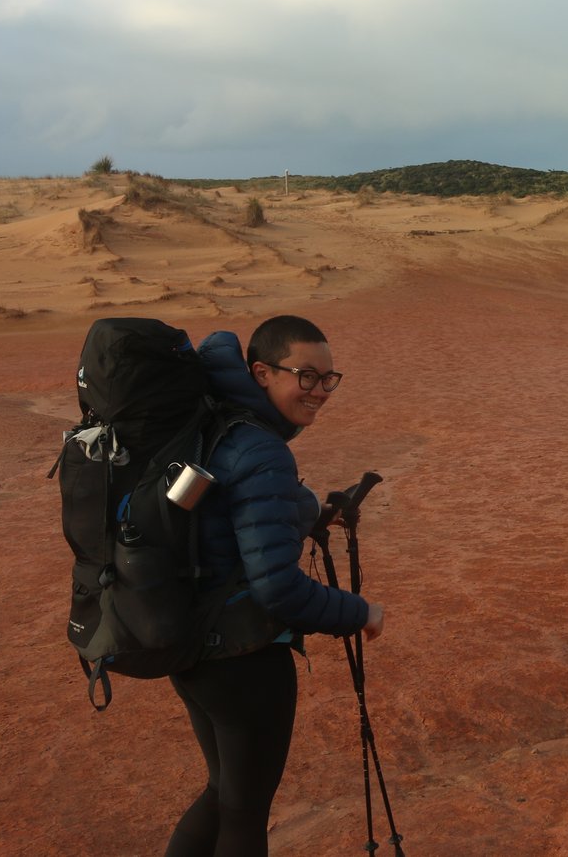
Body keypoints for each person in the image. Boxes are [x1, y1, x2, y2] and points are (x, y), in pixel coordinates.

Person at [165, 314, 385, 857]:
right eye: (305, 377)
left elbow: (234, 515)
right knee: (243, 816)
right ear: (262, 372)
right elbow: (278, 590)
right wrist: (359, 612)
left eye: (329, 379)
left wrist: (310, 510)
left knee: (224, 795)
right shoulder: (261, 447)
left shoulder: (220, 423)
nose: (319, 392)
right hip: (242, 657)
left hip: (191, 645)